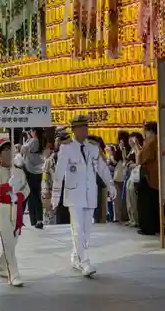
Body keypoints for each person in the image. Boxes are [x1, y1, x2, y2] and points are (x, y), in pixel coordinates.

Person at [52, 115, 116, 277]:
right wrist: (55, 196)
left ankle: (76, 256)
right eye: (81, 128)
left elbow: (101, 168)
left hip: (90, 194)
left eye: (86, 127)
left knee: (87, 229)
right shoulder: (66, 148)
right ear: (74, 130)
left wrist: (110, 184)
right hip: (73, 194)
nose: (85, 130)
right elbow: (59, 174)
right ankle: (84, 261)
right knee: (78, 228)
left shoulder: (93, 147)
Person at [0, 139, 30, 287]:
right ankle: (14, 274)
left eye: (9, 149)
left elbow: (26, 189)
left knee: (13, 240)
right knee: (8, 240)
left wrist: (19, 196)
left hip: (16, 208)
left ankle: (2, 265)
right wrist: (6, 187)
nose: (7, 153)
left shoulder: (18, 171)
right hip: (1, 208)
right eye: (4, 150)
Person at [136, 121, 160, 236]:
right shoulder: (157, 141)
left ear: (150, 131)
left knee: (146, 204)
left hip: (149, 177)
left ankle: (147, 227)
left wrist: (137, 148)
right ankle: (156, 226)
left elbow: (140, 158)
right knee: (154, 203)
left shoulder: (151, 142)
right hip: (156, 177)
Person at [21, 128, 47, 229]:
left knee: (24, 194)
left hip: (29, 171)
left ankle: (19, 219)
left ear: (34, 132)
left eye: (31, 131)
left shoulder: (33, 141)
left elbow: (23, 149)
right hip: (38, 171)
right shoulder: (42, 141)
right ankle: (39, 219)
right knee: (36, 196)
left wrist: (26, 141)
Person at [125, 132, 142, 227]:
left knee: (133, 198)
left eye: (132, 139)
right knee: (129, 199)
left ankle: (136, 220)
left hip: (136, 175)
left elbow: (138, 162)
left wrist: (136, 145)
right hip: (131, 175)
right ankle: (131, 218)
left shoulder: (138, 148)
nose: (130, 141)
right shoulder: (130, 150)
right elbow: (125, 160)